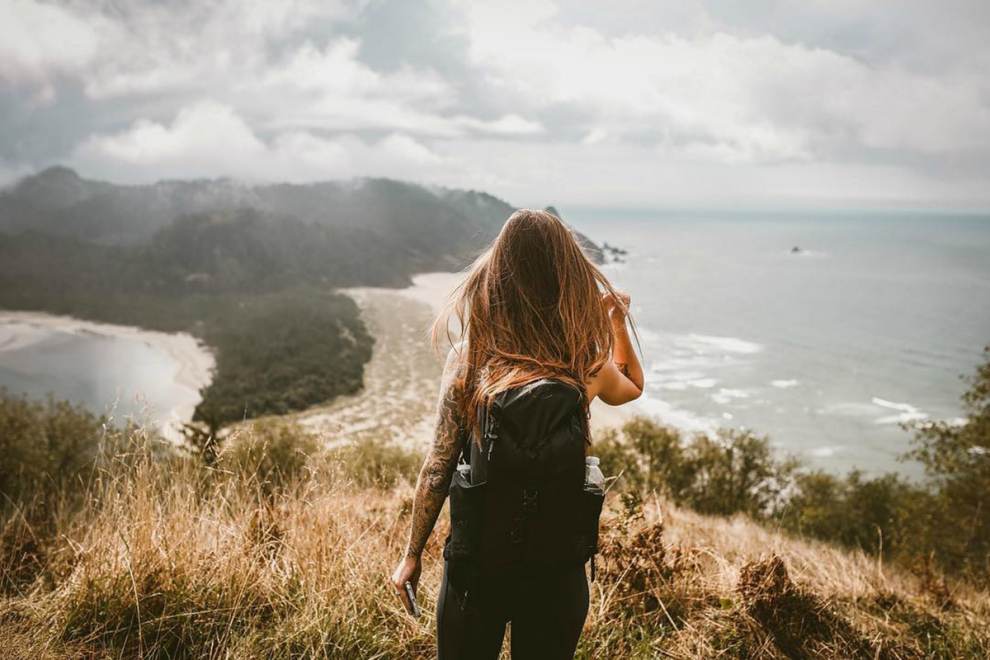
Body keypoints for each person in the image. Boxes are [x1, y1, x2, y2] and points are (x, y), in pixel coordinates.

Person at [390, 209, 644, 659]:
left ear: (498, 276)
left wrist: (413, 554)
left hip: (476, 565)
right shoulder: (584, 363)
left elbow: (438, 466)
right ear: (566, 277)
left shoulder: (471, 360)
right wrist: (617, 323)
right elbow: (632, 387)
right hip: (557, 570)